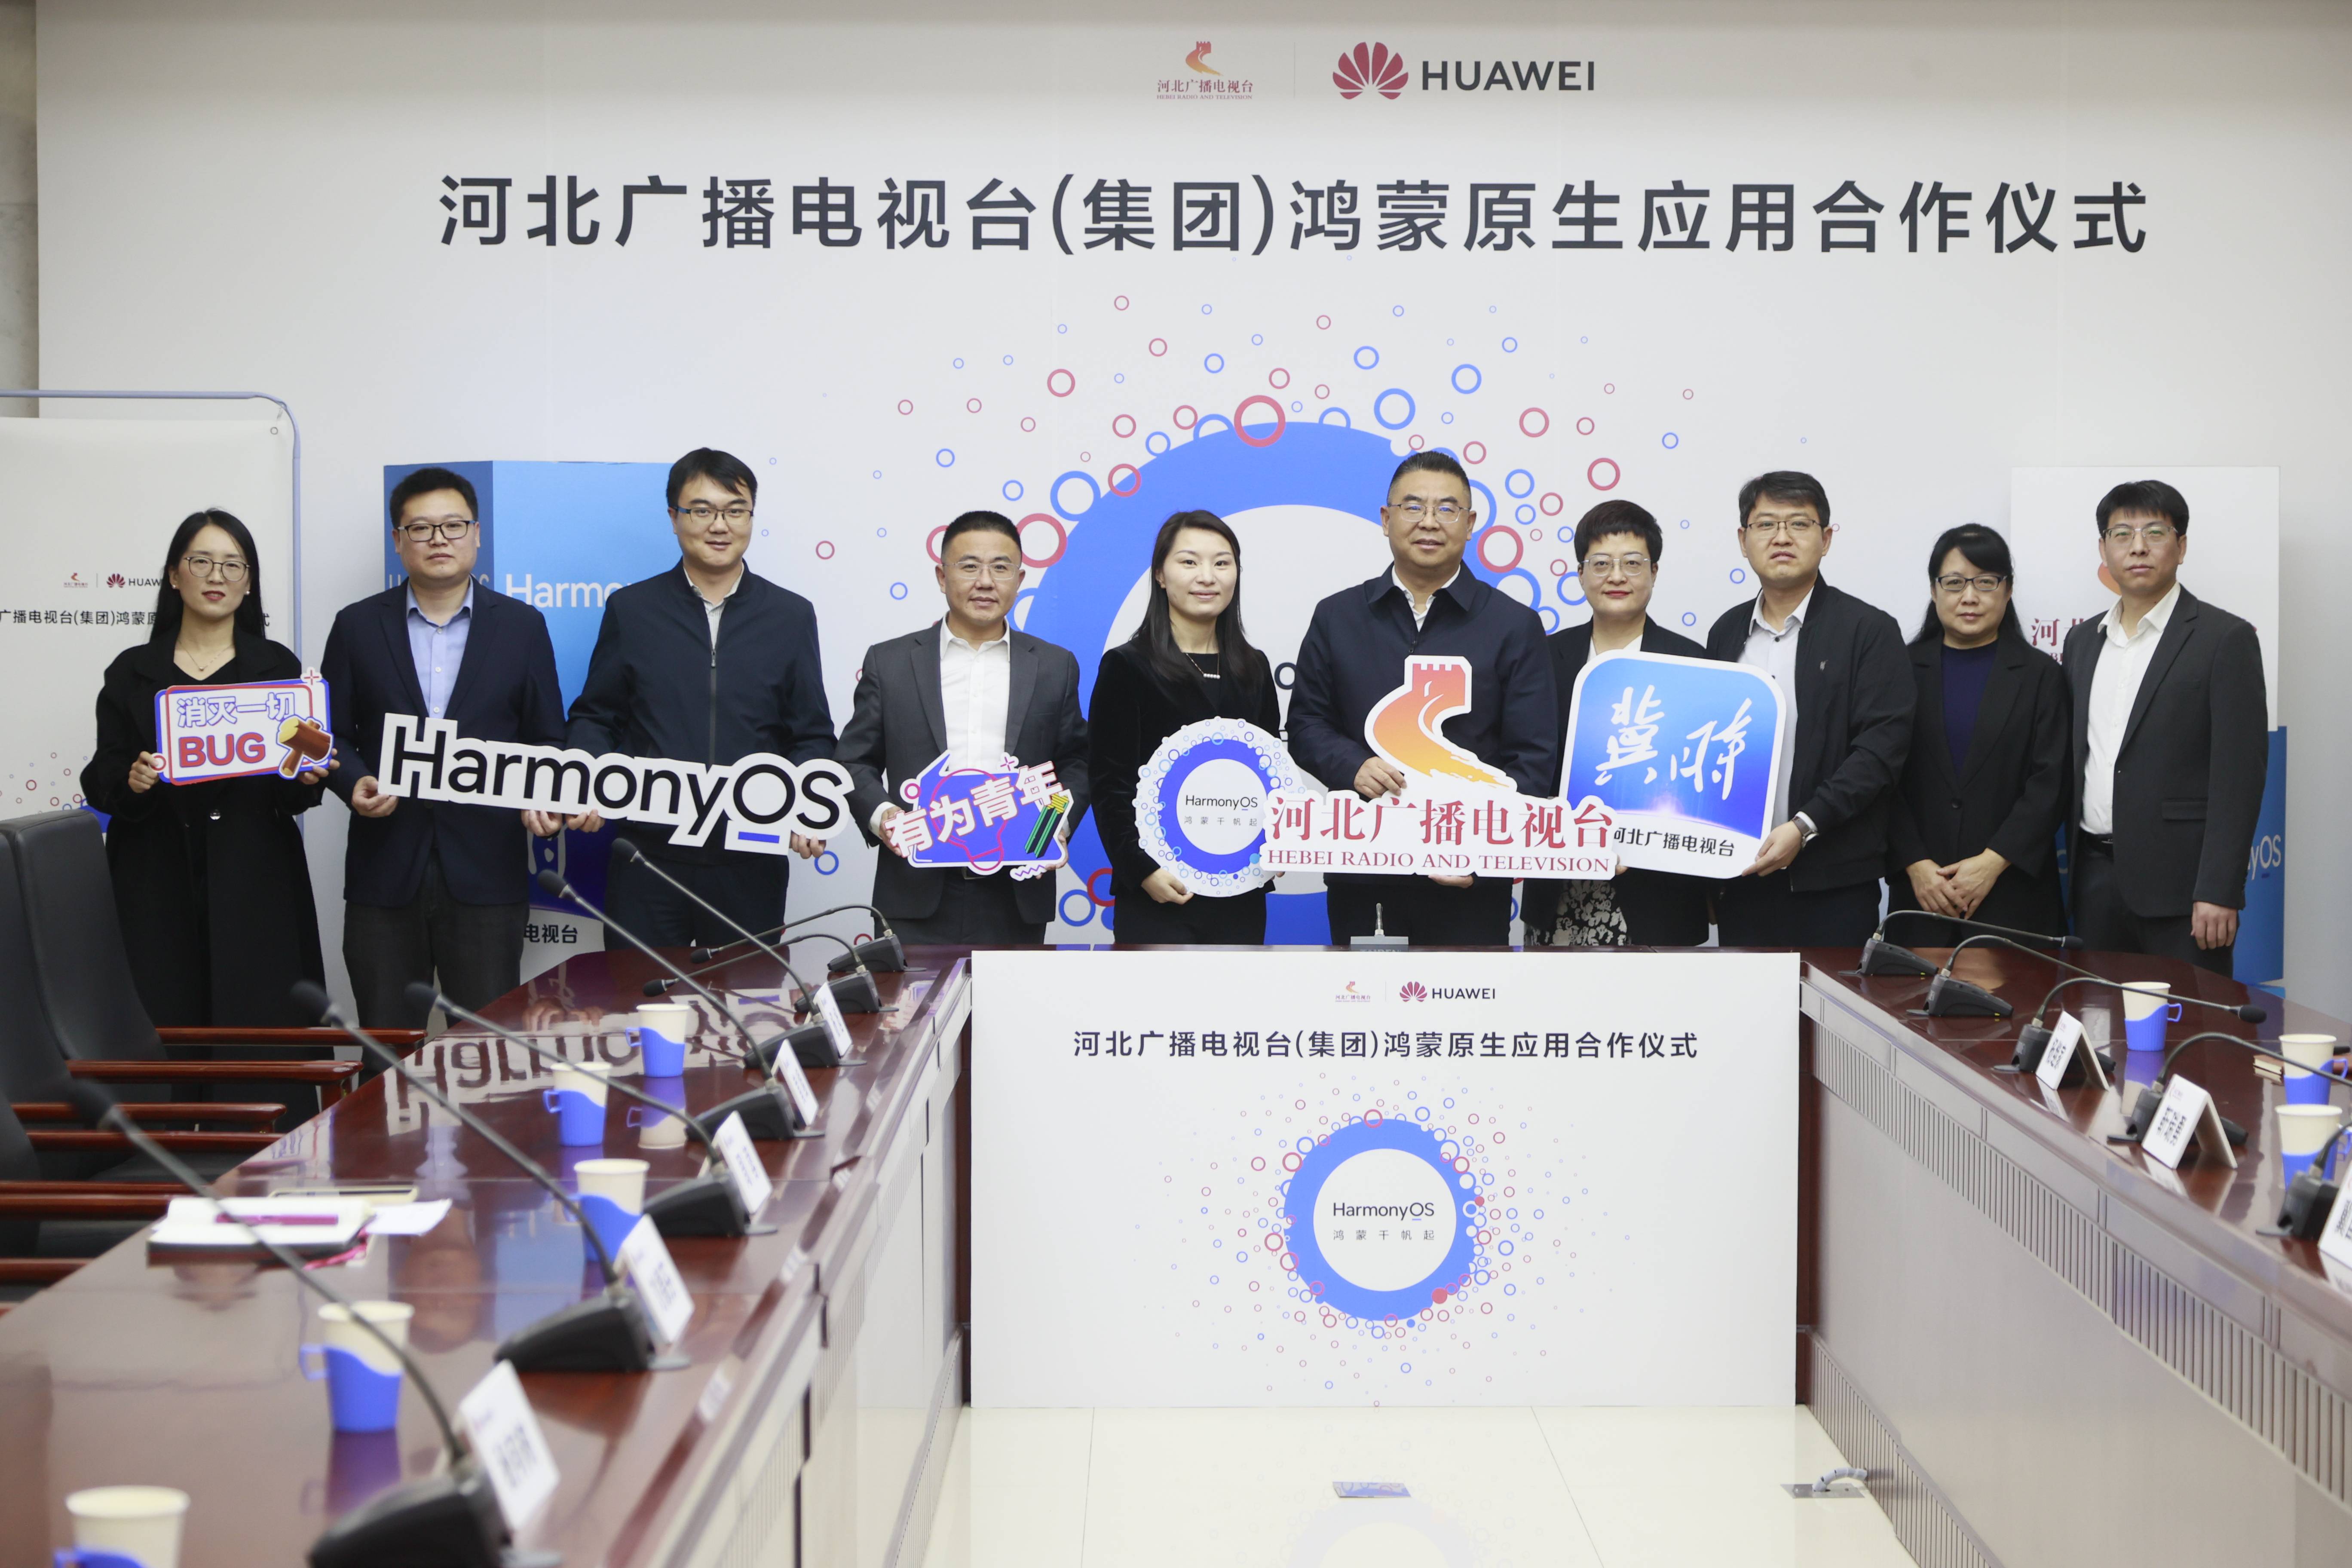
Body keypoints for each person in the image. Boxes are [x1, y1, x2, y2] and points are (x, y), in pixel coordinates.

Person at [321, 466, 567, 1029]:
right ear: (398, 540)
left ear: (476, 534)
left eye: (453, 526)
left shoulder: (522, 627)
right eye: (421, 528)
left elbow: (547, 736)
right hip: (385, 870)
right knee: (386, 1047)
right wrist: (353, 782)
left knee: (484, 1052)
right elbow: (331, 733)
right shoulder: (357, 626)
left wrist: (542, 796)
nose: (439, 540)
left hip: (487, 870)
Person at [563, 448, 836, 946]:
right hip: (646, 856)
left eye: (735, 510)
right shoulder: (632, 609)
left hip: (751, 859)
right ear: (674, 518)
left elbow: (811, 735)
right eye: (702, 510)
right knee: (635, 991)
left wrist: (808, 805)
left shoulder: (790, 616)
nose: (720, 525)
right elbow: (596, 717)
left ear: (751, 517)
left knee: (749, 993)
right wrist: (586, 780)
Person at [1289, 452, 1557, 946]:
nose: (1429, 522)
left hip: (1468, 883)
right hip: (1363, 869)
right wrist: (1352, 765)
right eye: (1413, 507)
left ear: (1470, 524)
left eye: (1447, 509)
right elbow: (1306, 724)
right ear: (1386, 519)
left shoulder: (1513, 626)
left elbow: (1534, 759)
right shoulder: (1337, 617)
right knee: (1361, 998)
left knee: (1469, 1000)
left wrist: (1478, 854)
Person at [79, 509, 330, 1026]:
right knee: (159, 1026)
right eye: (202, 562)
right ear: (175, 575)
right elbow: (103, 774)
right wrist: (132, 780)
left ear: (249, 582)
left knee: (259, 1032)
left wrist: (307, 776)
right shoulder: (131, 670)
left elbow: (299, 776)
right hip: (154, 879)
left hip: (254, 877)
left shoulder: (278, 668)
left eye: (233, 565)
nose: (217, 576)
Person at [838, 510, 1090, 945]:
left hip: (1015, 893)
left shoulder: (1054, 666)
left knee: (1010, 995)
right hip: (914, 890)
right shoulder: (890, 662)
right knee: (910, 995)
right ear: (942, 577)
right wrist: (885, 818)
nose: (985, 582)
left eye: (1001, 568)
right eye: (970, 566)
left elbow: (1077, 763)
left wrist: (1050, 825)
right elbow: (853, 761)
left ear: (1020, 579)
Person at [2063, 480, 2266, 974]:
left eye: (2155, 532)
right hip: (2094, 881)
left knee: (2190, 1020)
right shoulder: (2082, 642)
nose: (2138, 546)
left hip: (2185, 894)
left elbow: (2239, 777)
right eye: (2122, 534)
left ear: (2182, 546)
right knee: (2099, 1015)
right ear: (2103, 550)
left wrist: (2219, 889)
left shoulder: (2225, 639)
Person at [1704, 471, 1913, 948]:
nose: (1782, 538)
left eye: (1799, 524)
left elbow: (1879, 752)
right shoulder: (1725, 633)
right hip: (1742, 876)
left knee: (1829, 1001)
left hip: (1833, 883)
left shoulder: (1868, 631)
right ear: (1743, 540)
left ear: (1826, 539)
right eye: (1766, 525)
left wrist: (1804, 826)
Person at [1089, 511, 1283, 944]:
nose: (1207, 577)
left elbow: (1269, 776)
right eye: (1189, 562)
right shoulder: (1127, 667)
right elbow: (1109, 784)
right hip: (1158, 892)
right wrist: (1142, 871)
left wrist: (1277, 843)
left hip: (1240, 890)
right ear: (1160, 575)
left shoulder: (1254, 668)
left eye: (1222, 563)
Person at [1525, 501, 1710, 947]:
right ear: (1580, 574)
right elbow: (1526, 762)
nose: (1616, 576)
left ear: (1654, 572)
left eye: (1632, 563)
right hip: (1562, 882)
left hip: (1661, 891)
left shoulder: (1694, 662)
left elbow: (1704, 781)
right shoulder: (1543, 658)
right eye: (1601, 564)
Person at [1885, 525, 2070, 943]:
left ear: (2008, 590)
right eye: (1954, 583)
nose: (1969, 597)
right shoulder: (1899, 671)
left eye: (1986, 582)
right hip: (1921, 895)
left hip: (2013, 895)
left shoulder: (2041, 676)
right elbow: (1880, 778)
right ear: (1934, 590)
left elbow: (2051, 783)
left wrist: (1992, 863)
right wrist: (1915, 863)